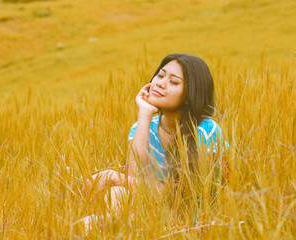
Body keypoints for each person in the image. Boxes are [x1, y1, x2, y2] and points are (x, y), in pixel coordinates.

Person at [82, 53, 228, 227]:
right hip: (152, 212)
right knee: (117, 194)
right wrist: (144, 112)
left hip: (190, 220)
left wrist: (113, 176)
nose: (160, 82)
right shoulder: (142, 128)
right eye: (160, 75)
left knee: (103, 210)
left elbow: (180, 196)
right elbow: (134, 181)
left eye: (173, 82)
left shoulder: (206, 131)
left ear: (191, 95)